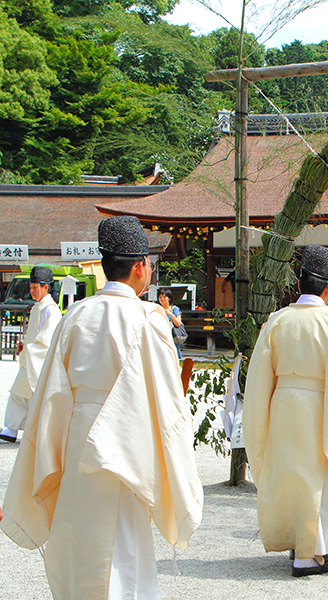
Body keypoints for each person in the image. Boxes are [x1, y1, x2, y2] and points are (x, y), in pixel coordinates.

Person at [1, 216, 203, 598]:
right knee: (125, 543)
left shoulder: (75, 315)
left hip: (79, 437)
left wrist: (52, 452)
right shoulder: (150, 320)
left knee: (80, 534)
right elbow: (167, 403)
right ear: (140, 267)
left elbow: (51, 398)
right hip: (128, 439)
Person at [243, 245, 328, 577]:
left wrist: (262, 418)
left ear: (299, 282)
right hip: (321, 408)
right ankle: (311, 553)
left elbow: (258, 380)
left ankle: (295, 541)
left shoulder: (276, 322)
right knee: (320, 481)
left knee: (288, 476)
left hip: (282, 407)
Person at [1, 266, 62, 443]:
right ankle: (11, 429)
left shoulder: (51, 310)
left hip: (39, 361)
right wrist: (25, 345)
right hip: (31, 359)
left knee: (36, 397)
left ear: (46, 287)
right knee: (18, 393)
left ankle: (34, 430)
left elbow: (47, 340)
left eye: (35, 288)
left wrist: (29, 349)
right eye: (31, 288)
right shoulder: (38, 308)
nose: (32, 291)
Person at [158, 287, 184, 359]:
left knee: (174, 355)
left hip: (172, 336)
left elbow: (178, 323)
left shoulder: (174, 309)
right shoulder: (157, 309)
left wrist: (170, 314)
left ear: (169, 298)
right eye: (160, 297)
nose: (162, 299)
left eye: (164, 297)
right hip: (161, 336)